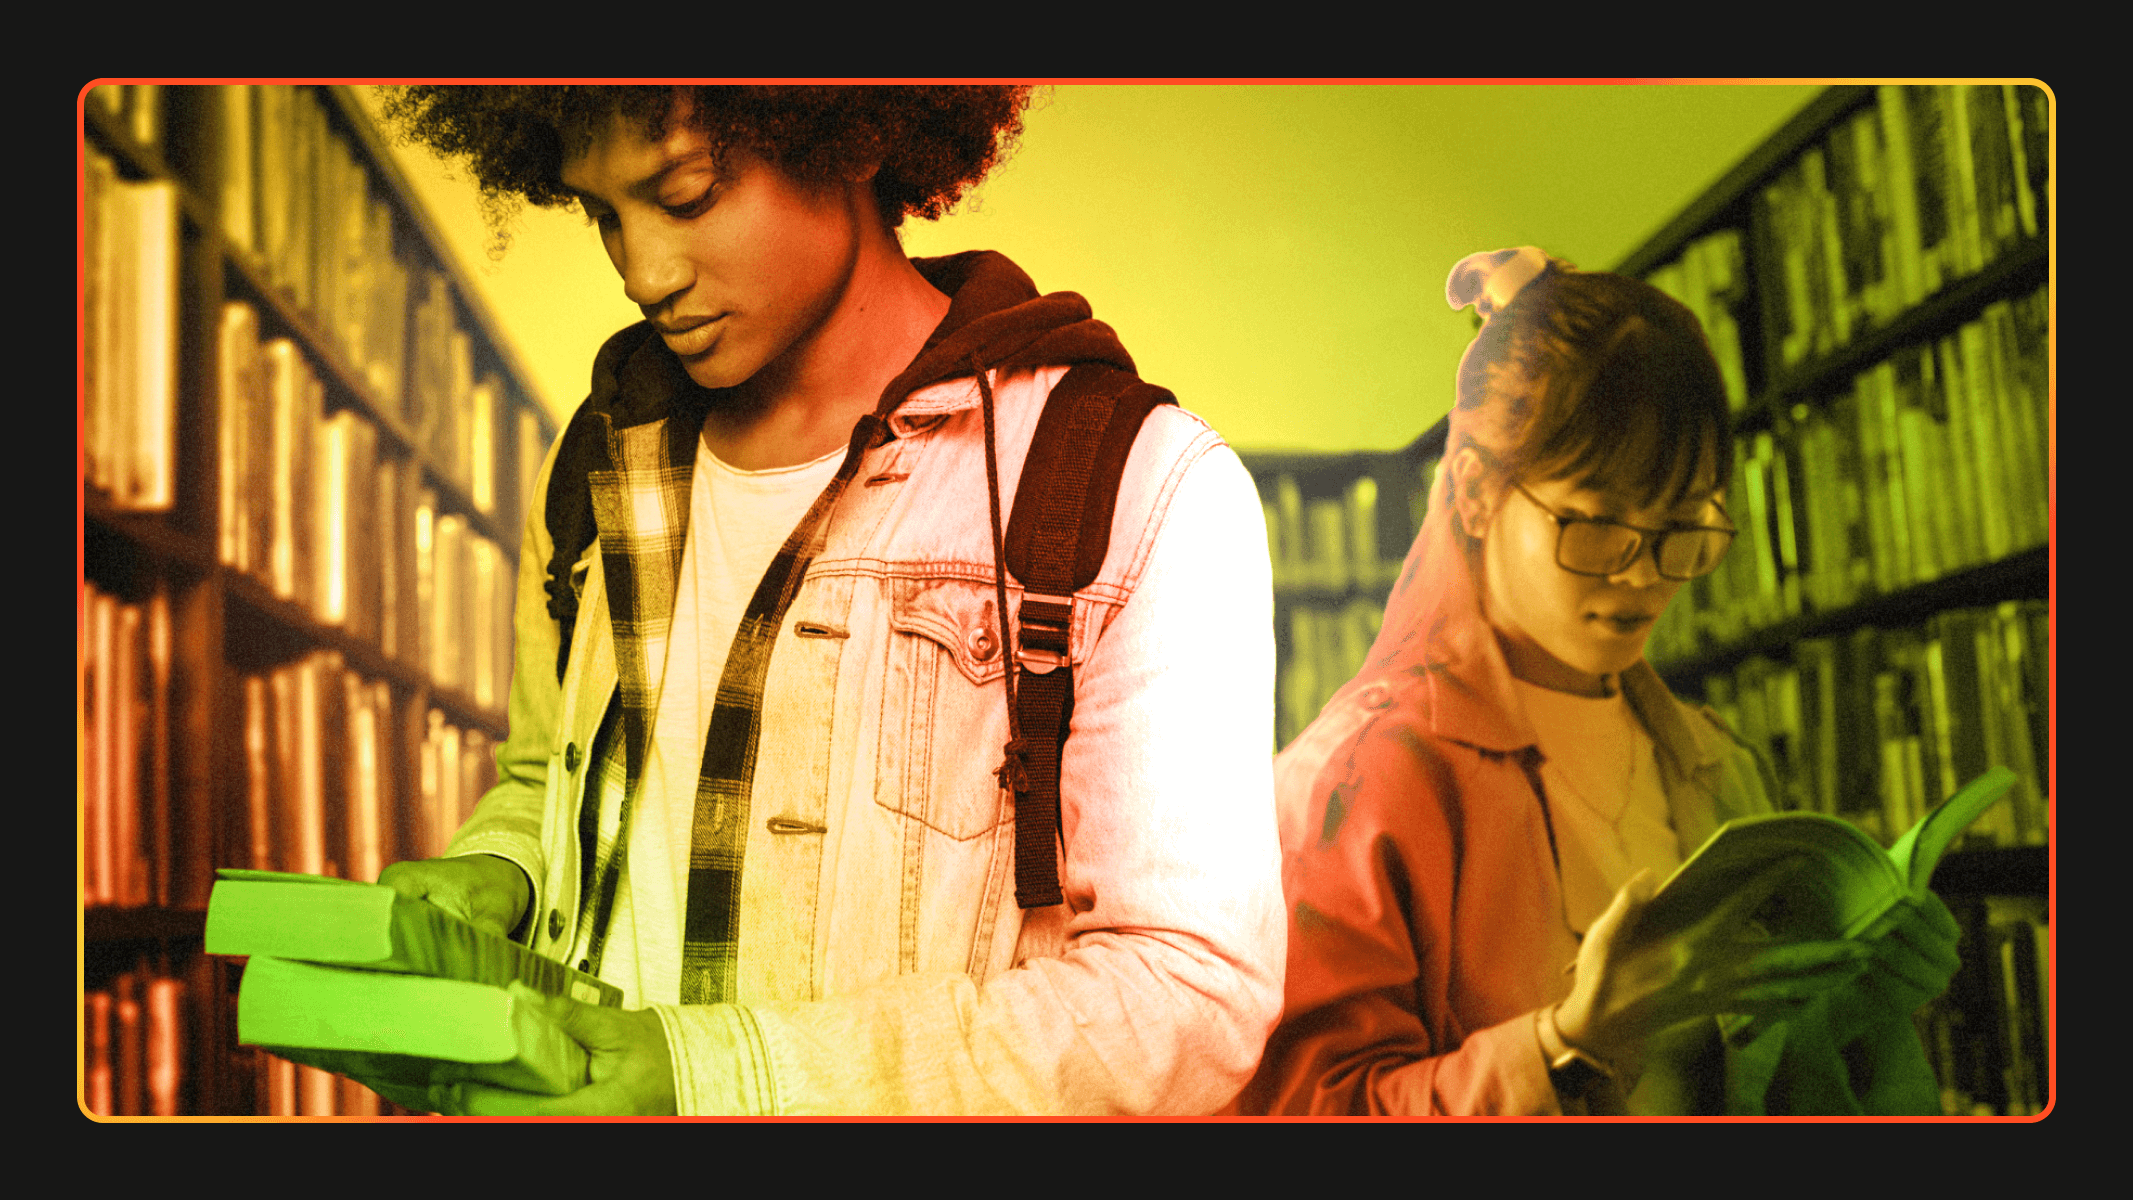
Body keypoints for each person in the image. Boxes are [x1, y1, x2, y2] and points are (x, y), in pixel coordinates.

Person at [372, 85, 1284, 1115]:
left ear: (845, 130)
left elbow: (1184, 992)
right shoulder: (593, 468)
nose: (642, 273)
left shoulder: (1137, 485)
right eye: (603, 215)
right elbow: (554, 781)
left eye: (686, 194)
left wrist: (709, 1076)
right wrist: (501, 874)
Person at [1228, 247, 1961, 1116]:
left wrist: (1853, 1009)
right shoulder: (1355, 785)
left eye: (1683, 526)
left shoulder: (1711, 760)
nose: (1642, 575)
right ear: (1471, 492)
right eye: (1597, 525)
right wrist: (1569, 1046)